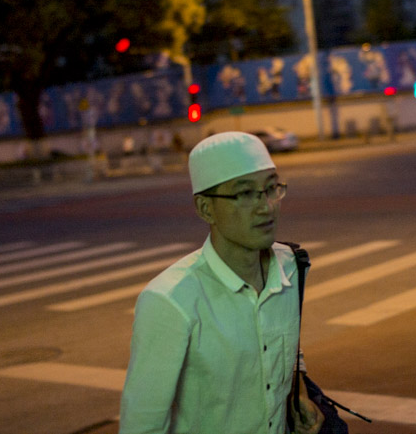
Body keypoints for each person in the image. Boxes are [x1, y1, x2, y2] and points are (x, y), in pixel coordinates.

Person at [119, 131, 324, 434]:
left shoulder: (291, 267)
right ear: (205, 209)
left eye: (270, 188)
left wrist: (297, 393)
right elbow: (142, 426)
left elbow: (283, 343)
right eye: (244, 194)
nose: (265, 207)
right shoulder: (171, 301)